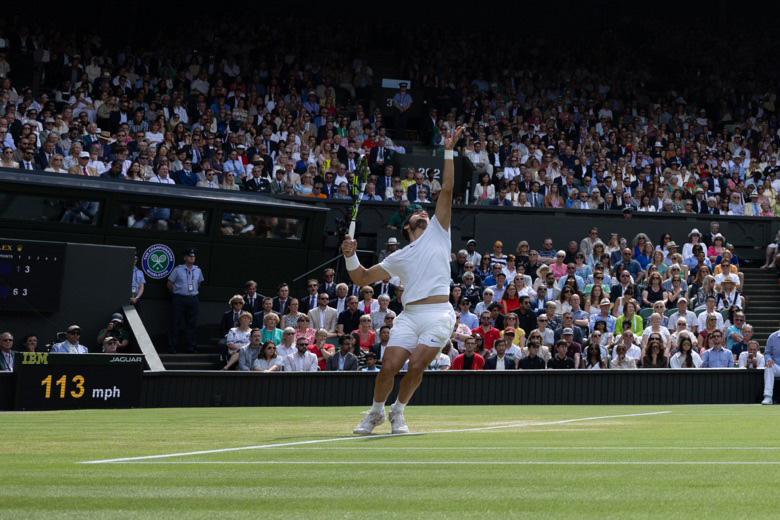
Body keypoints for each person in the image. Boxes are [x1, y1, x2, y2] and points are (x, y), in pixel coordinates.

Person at [167, 248, 204, 353]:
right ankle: (172, 346)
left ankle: (190, 347)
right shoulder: (178, 269)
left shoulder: (198, 270)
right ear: (185, 258)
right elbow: (169, 284)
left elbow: (198, 284)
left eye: (193, 256)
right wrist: (178, 293)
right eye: (190, 256)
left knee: (191, 324)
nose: (192, 257)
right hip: (179, 298)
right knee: (175, 322)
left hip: (193, 299)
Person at [762, 329, 780, 404]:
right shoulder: (772, 337)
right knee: (769, 366)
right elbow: (767, 353)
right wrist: (769, 359)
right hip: (777, 367)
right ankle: (768, 397)